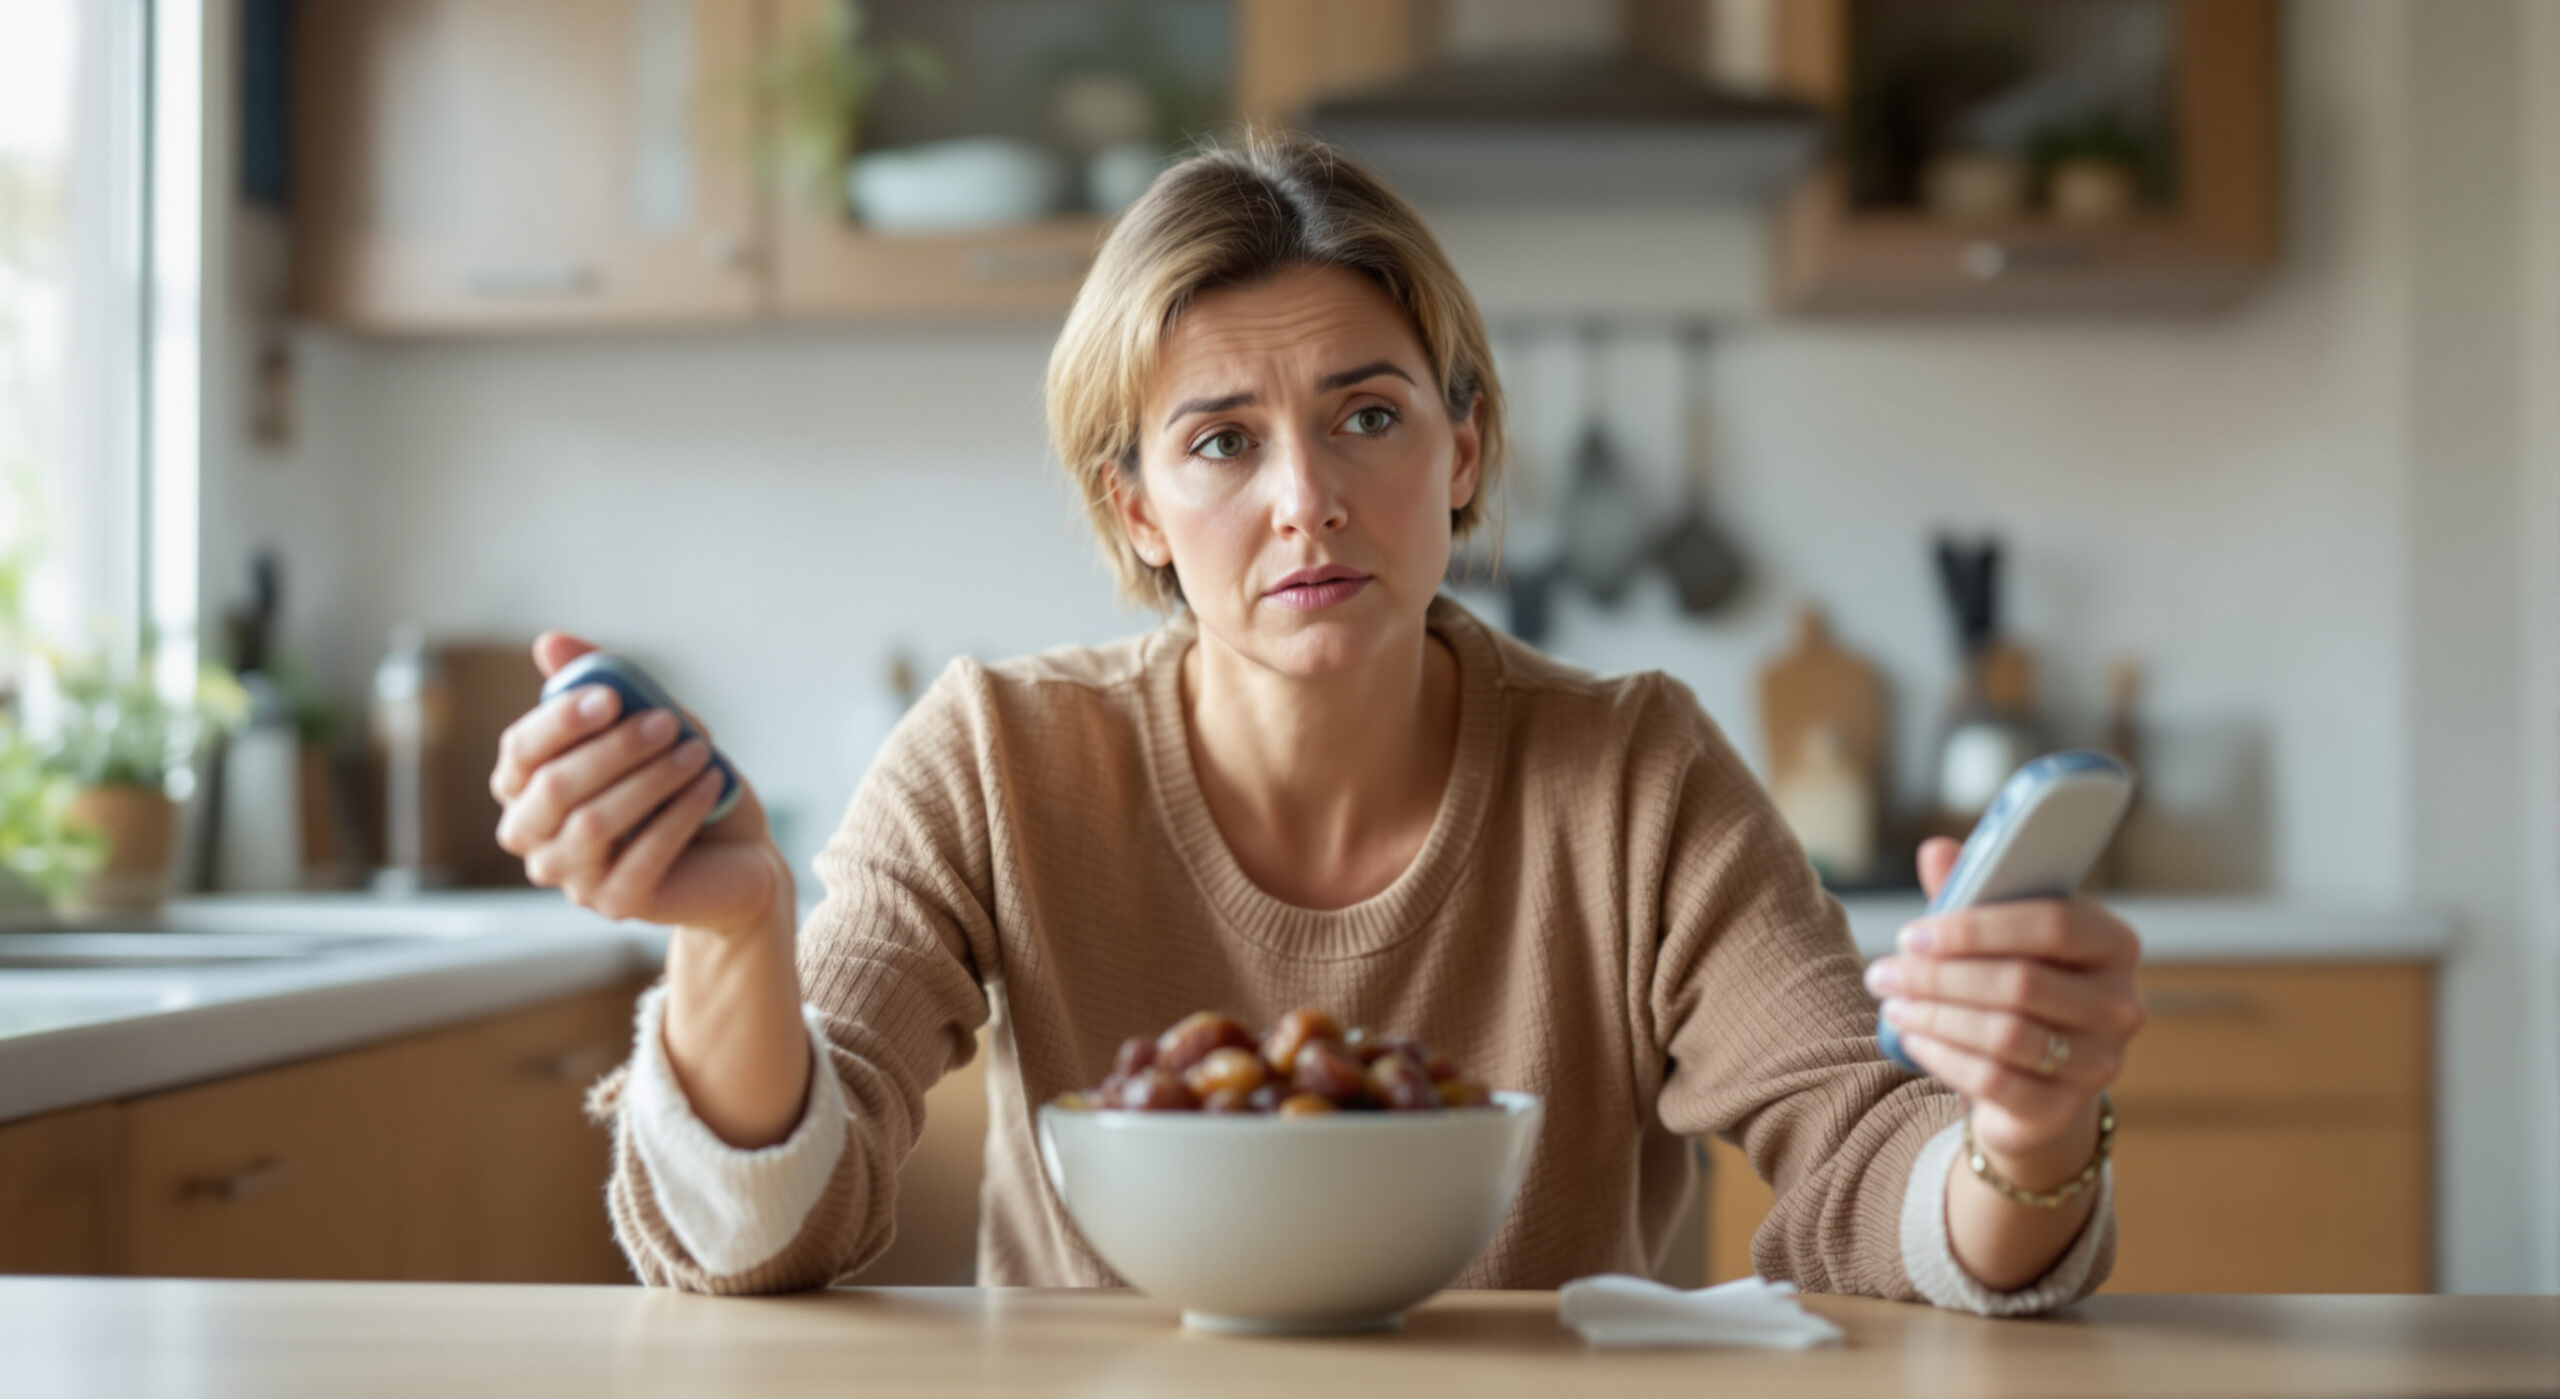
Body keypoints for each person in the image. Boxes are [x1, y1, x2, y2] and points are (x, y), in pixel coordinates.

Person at [489, 130, 2143, 1310]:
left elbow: (1866, 1168)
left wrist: (2027, 1131)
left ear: (1466, 454)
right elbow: (765, 1236)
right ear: (1130, 504)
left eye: (1368, 416)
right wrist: (731, 934)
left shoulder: (1637, 771)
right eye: (1219, 442)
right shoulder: (997, 755)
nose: (1309, 502)